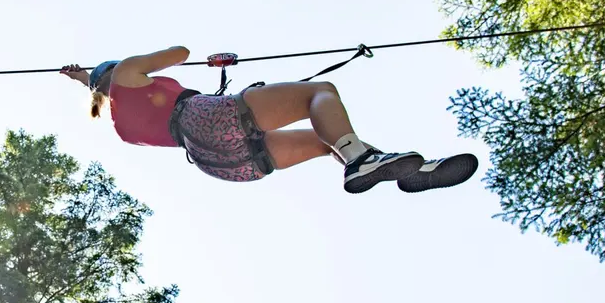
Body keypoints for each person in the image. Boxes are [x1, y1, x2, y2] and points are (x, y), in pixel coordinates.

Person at [60, 46, 478, 193]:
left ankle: (404, 169)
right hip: (206, 116)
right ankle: (362, 160)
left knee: (326, 142)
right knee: (320, 93)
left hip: (221, 164)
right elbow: (180, 53)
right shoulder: (128, 72)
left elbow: (103, 92)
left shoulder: (121, 127)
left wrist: (82, 79)